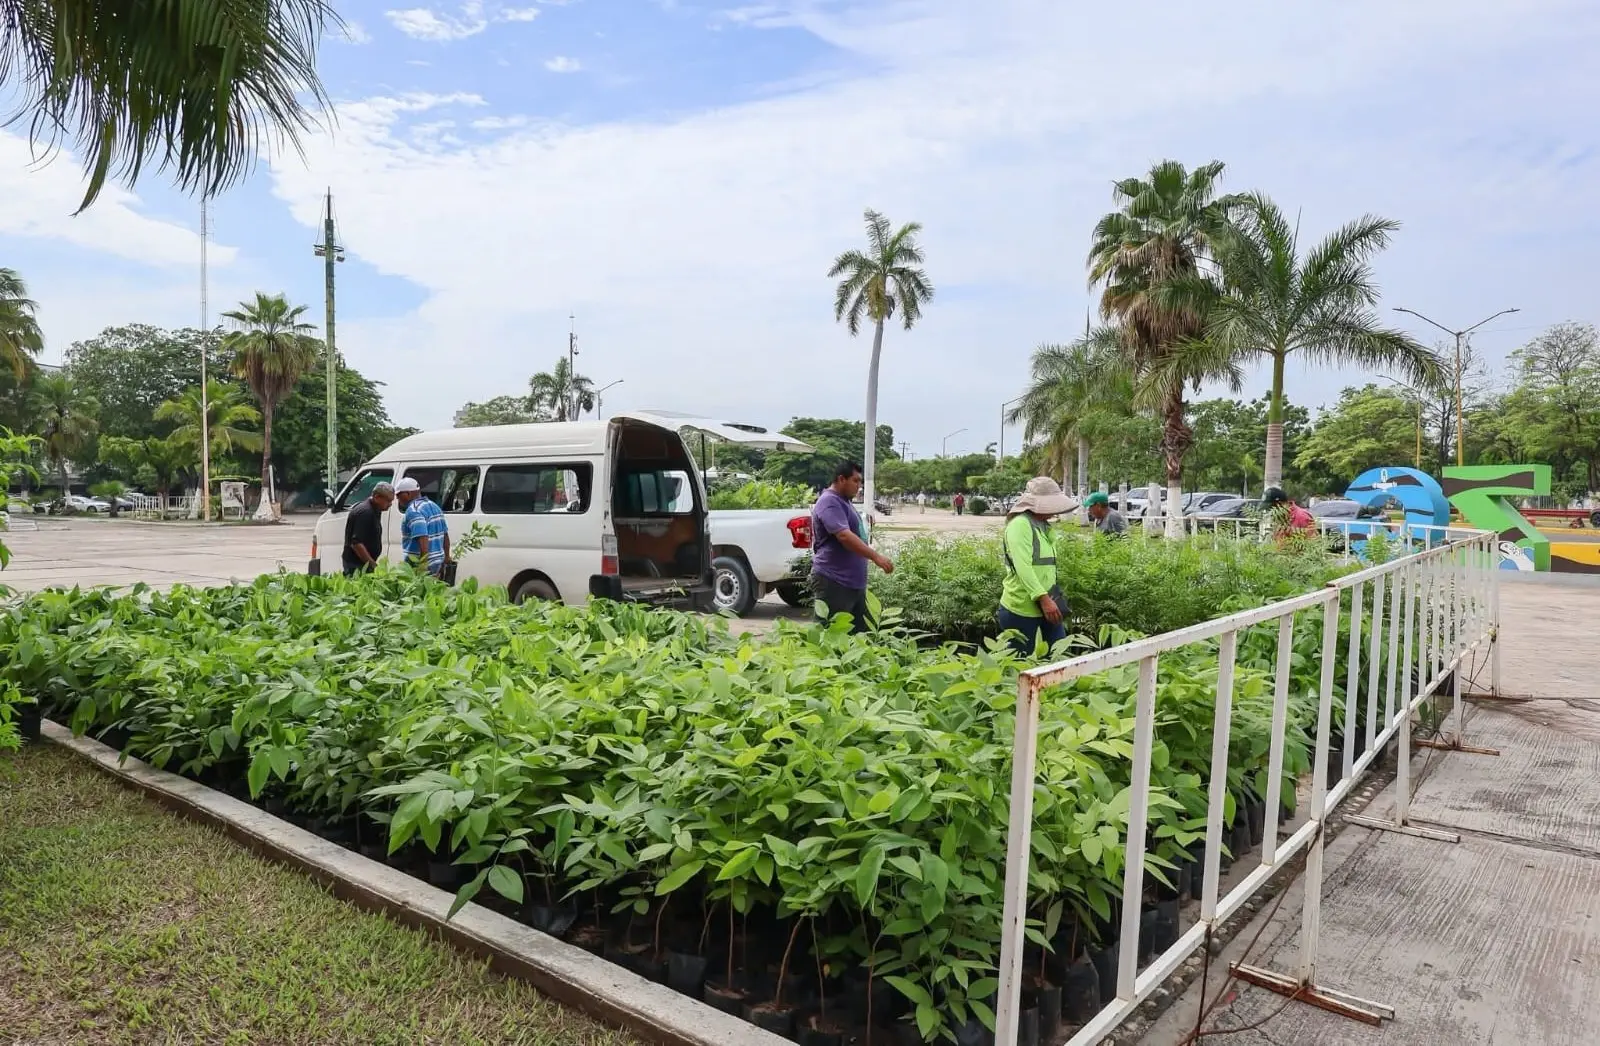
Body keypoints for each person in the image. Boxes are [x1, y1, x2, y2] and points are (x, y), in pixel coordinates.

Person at [810, 460, 894, 632]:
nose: (859, 486)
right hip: (834, 580)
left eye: (860, 482)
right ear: (841, 479)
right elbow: (844, 535)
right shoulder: (829, 501)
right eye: (855, 481)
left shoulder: (844, 501)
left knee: (860, 638)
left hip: (852, 583)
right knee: (829, 636)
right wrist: (876, 557)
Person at [998, 477, 1074, 656]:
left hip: (1049, 605)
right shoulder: (1020, 525)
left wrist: (1050, 599)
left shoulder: (1043, 526)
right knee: (1021, 663)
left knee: (1059, 657)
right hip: (1022, 608)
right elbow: (1023, 567)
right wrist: (1043, 599)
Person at [396, 477, 452, 577]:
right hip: (437, 563)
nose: (398, 499)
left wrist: (422, 566)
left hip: (420, 565)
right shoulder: (434, 506)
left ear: (407, 494)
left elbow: (422, 537)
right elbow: (445, 535)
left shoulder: (413, 511)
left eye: (399, 496)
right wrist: (447, 557)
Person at [343, 481, 394, 575]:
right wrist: (372, 565)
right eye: (388, 501)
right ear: (377, 497)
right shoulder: (366, 512)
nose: (390, 504)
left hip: (363, 564)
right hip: (357, 565)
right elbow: (356, 543)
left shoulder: (375, 509)